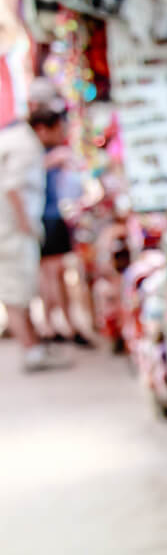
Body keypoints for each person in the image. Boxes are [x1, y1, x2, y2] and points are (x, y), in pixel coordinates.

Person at [0, 113, 70, 371]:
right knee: (15, 292)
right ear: (43, 128)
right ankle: (31, 351)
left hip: (10, 230)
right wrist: (24, 223)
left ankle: (34, 347)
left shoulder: (19, 140)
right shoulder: (25, 145)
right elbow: (11, 186)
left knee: (19, 291)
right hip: (11, 231)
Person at [27, 78, 93, 347]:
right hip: (46, 216)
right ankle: (59, 324)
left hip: (51, 215)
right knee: (51, 272)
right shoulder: (34, 149)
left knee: (53, 272)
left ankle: (58, 323)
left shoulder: (44, 148)